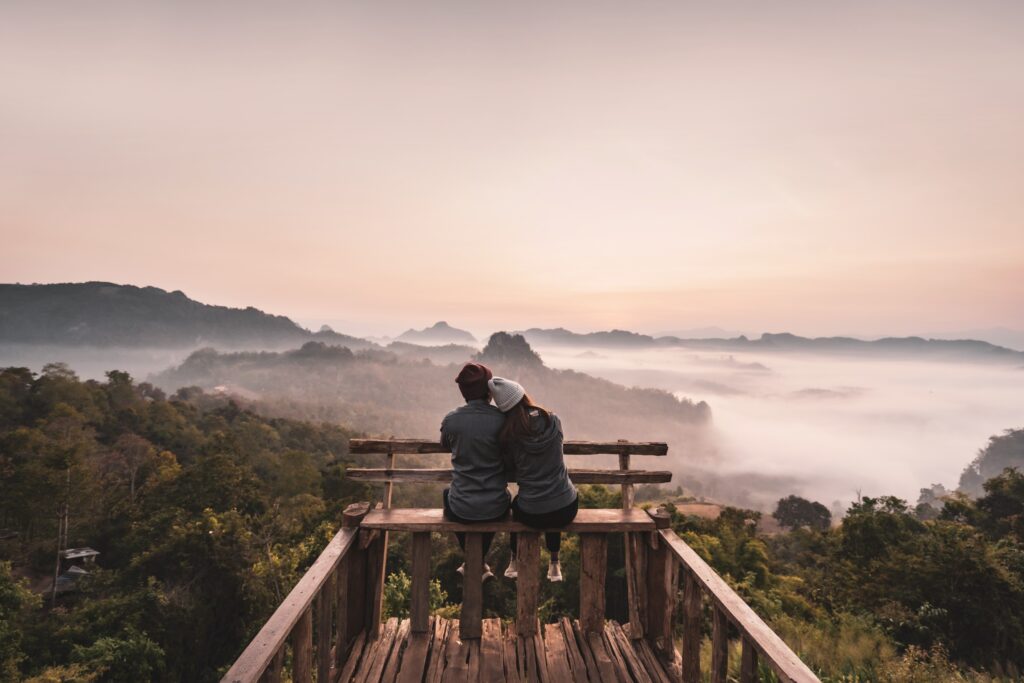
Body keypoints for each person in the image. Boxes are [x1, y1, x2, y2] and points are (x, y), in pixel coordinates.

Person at [488, 377, 577, 582]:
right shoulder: (553, 420)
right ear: (523, 395)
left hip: (531, 512)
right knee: (556, 496)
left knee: (518, 503)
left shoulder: (509, 435)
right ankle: (555, 563)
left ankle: (514, 559)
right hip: (566, 509)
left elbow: (509, 466)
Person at [440, 362, 510, 581]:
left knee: (448, 496)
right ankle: (478, 563)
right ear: (489, 390)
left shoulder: (451, 420)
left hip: (461, 505)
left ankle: (474, 562)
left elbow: (445, 444)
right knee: (497, 502)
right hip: (496, 505)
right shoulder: (502, 419)